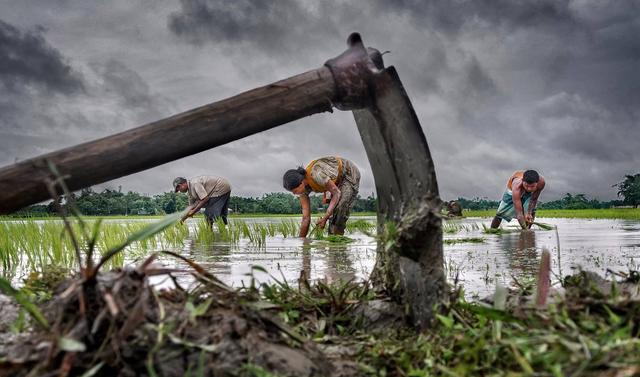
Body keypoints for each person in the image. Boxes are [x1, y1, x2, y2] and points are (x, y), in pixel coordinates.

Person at [282, 156, 360, 237]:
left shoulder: (317, 174)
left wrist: (325, 218)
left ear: (301, 183)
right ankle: (332, 239)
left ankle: (337, 241)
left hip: (348, 173)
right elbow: (306, 218)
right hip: (332, 181)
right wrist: (303, 242)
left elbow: (337, 193)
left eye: (295, 191)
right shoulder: (303, 192)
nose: (295, 194)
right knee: (334, 212)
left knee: (340, 207)